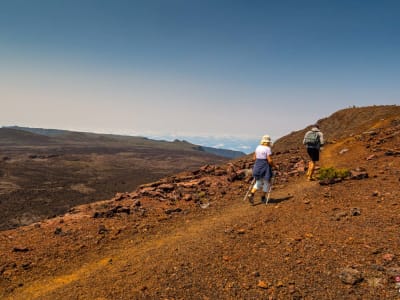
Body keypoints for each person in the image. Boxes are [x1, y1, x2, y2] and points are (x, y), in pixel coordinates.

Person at [247, 135, 277, 205]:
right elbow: (270, 160)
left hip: (257, 166)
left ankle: (251, 194)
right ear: (268, 142)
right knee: (266, 182)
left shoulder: (258, 147)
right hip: (265, 168)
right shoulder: (267, 149)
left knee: (258, 182)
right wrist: (274, 166)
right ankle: (263, 197)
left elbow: (254, 158)